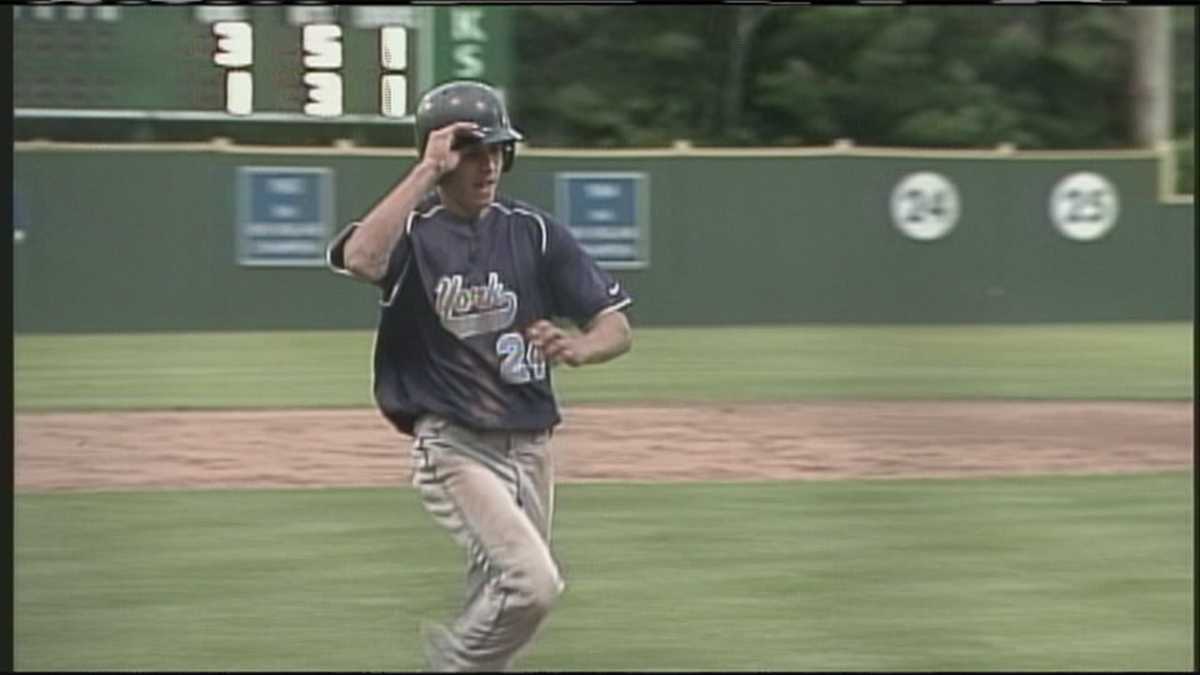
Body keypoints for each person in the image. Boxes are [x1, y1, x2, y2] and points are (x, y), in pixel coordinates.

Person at [326, 80, 634, 671]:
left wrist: (577, 349)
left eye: (496, 150)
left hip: (532, 445)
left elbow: (616, 326)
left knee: (501, 597)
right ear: (439, 154)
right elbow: (362, 259)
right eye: (472, 150)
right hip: (455, 445)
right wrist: (423, 173)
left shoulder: (533, 231)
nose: (488, 164)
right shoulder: (412, 232)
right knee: (533, 583)